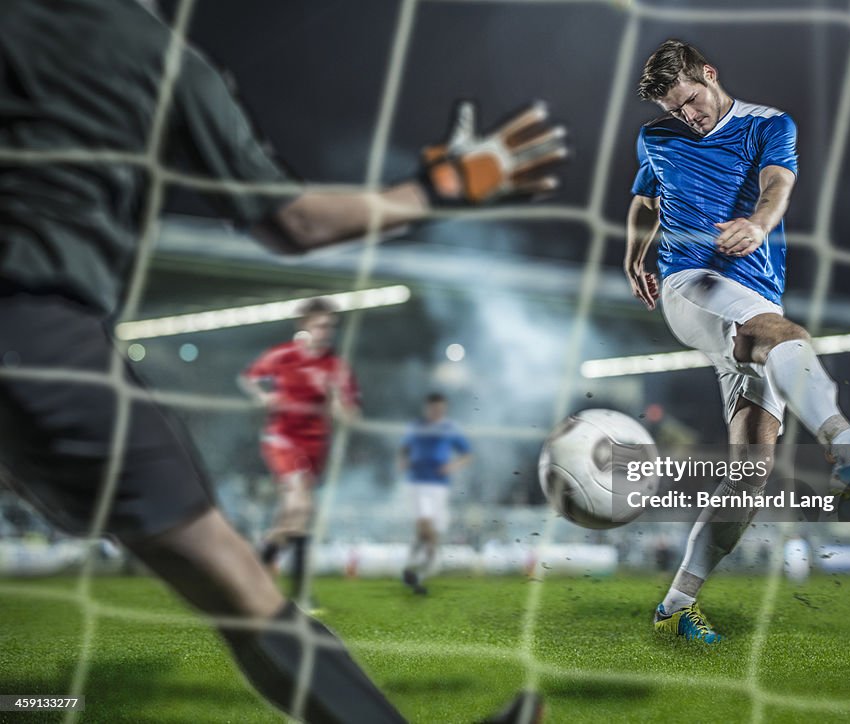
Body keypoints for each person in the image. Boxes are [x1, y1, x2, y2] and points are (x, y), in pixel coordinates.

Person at [0, 1, 564, 721]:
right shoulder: (157, 54)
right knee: (235, 582)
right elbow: (296, 223)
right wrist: (437, 188)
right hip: (39, 336)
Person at [623, 39, 850, 644]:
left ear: (709, 75)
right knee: (785, 337)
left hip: (752, 294)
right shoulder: (656, 139)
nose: (686, 116)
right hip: (692, 283)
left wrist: (758, 224)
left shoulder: (769, 125)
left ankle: (674, 609)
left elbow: (777, 186)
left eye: (689, 100)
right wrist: (635, 247)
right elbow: (644, 199)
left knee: (750, 475)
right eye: (675, 109)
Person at [240, 298, 360, 607]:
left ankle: (255, 567)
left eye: (331, 326)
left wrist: (339, 406)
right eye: (321, 325)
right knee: (301, 506)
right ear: (305, 326)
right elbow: (248, 378)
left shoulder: (336, 366)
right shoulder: (283, 355)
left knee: (294, 517)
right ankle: (302, 594)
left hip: (316, 446)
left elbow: (352, 415)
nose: (326, 331)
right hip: (281, 439)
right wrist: (263, 396)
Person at [399, 392, 472, 595]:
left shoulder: (450, 428)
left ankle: (412, 569)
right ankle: (420, 572)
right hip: (418, 483)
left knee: (429, 534)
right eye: (433, 409)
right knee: (426, 526)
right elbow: (404, 448)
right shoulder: (416, 426)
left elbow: (467, 454)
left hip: (439, 486)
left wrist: (453, 466)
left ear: (444, 409)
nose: (436, 412)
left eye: (440, 409)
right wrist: (403, 460)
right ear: (427, 408)